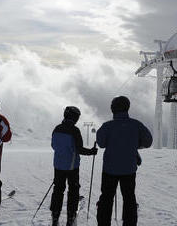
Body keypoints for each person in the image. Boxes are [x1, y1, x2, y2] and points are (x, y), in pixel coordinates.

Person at [96, 96, 153, 226]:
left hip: (109, 169)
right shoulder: (136, 125)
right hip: (129, 169)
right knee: (129, 198)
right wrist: (134, 144)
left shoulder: (107, 126)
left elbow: (101, 143)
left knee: (106, 198)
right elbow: (148, 142)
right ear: (127, 107)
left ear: (112, 109)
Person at [50, 106, 97, 226]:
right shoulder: (74, 130)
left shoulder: (57, 128)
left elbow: (53, 145)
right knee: (73, 190)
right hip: (72, 167)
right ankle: (71, 216)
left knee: (58, 189)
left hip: (58, 165)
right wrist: (91, 152)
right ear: (75, 118)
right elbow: (79, 149)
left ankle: (55, 215)